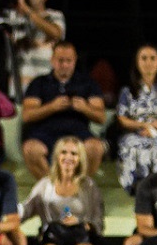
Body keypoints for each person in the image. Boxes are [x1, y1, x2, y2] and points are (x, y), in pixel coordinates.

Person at [19, 42, 108, 181]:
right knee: (30, 149)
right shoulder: (39, 83)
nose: (65, 65)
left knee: (96, 147)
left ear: (75, 61)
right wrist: (51, 107)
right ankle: (52, 188)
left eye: (69, 61)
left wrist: (85, 108)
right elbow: (27, 116)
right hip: (45, 133)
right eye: (60, 60)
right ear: (52, 60)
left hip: (78, 133)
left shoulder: (88, 83)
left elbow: (101, 117)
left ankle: (79, 187)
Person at [22, 135, 104, 245]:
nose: (68, 157)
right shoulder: (45, 184)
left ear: (80, 159)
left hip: (81, 236)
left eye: (74, 154)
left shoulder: (89, 185)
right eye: (64, 152)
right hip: (53, 236)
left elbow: (98, 220)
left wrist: (83, 223)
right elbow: (25, 209)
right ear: (57, 156)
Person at [113, 44, 157, 193]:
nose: (148, 63)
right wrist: (144, 126)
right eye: (144, 58)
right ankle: (138, 187)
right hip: (136, 131)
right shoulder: (127, 91)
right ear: (136, 62)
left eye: (152, 58)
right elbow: (122, 119)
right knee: (132, 145)